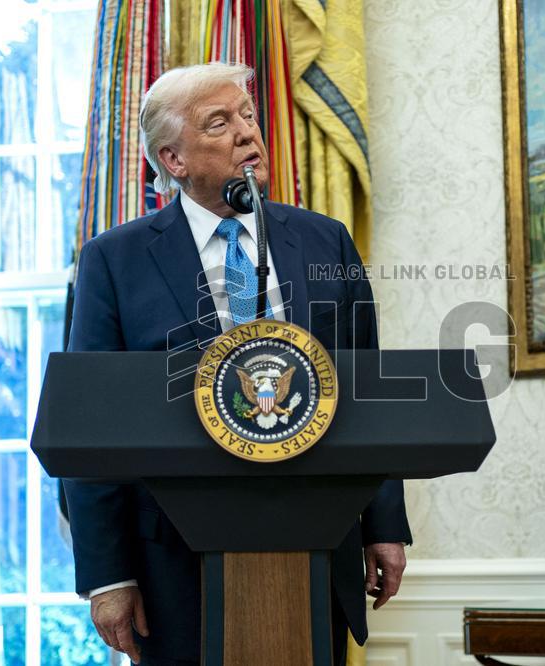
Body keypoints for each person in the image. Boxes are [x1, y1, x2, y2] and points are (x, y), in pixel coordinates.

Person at [63, 62, 412, 666]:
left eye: (248, 115)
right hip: (173, 562)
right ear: (173, 160)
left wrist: (384, 523)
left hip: (315, 544)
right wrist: (107, 575)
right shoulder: (114, 262)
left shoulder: (324, 240)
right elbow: (90, 429)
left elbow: (367, 386)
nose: (248, 132)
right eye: (219, 123)